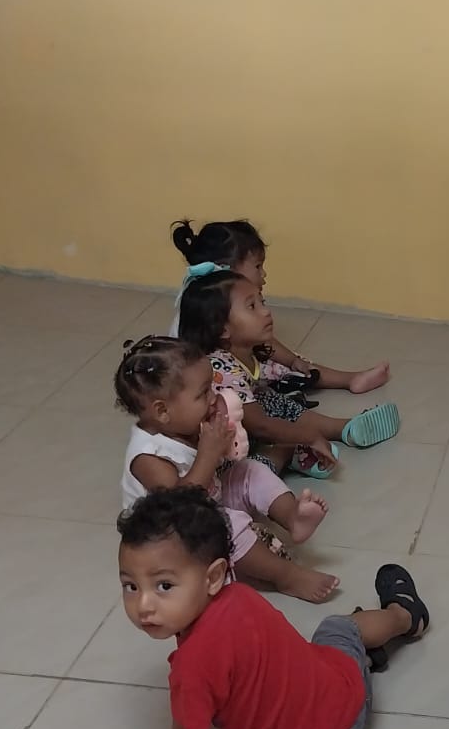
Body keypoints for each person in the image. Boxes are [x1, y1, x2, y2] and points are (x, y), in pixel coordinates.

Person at [118, 486, 428, 729]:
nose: (143, 605)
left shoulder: (190, 669)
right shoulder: (241, 595)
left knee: (334, 634)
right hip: (332, 717)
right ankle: (399, 617)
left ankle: (404, 618)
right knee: (337, 628)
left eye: (164, 586)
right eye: (131, 586)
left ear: (213, 577)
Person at [115, 335, 341, 602]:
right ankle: (286, 577)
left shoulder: (183, 424)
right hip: (170, 534)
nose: (214, 398)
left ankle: (292, 516)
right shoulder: (148, 456)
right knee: (228, 525)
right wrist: (208, 453)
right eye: (203, 393)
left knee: (250, 470)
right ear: (162, 411)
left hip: (208, 495)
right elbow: (180, 506)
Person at [178, 271, 400, 475]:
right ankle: (287, 451)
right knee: (252, 475)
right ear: (222, 328)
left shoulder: (244, 352)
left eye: (262, 302)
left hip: (244, 431)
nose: (266, 311)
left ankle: (342, 429)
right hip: (222, 461)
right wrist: (308, 437)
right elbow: (261, 425)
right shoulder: (221, 368)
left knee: (269, 400)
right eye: (252, 306)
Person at [170, 218, 389, 395]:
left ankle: (349, 379)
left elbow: (260, 342)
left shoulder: (220, 291)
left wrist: (294, 361)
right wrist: (291, 361)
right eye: (258, 266)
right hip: (211, 377)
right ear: (226, 269)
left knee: (293, 365)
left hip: (234, 362)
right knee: (280, 367)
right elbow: (263, 342)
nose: (263, 274)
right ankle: (345, 381)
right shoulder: (209, 301)